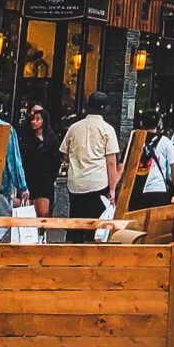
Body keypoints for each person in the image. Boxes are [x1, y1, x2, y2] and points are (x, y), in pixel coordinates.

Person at [59, 92, 120, 239]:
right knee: (96, 226)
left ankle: (72, 253)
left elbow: (64, 153)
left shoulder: (74, 128)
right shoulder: (107, 129)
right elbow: (111, 162)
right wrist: (112, 189)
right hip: (98, 183)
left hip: (76, 183)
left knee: (76, 222)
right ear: (105, 109)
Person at [17, 104, 58, 215]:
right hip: (28, 177)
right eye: (32, 119)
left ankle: (42, 232)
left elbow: (55, 161)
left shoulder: (51, 139)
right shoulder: (25, 138)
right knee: (25, 210)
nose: (34, 122)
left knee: (43, 211)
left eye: (37, 119)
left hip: (44, 180)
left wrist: (51, 177)